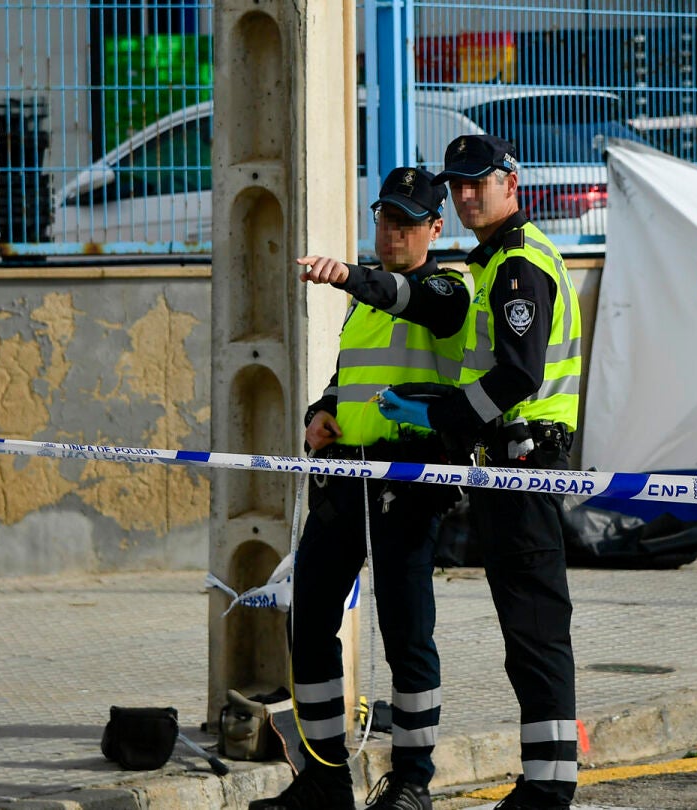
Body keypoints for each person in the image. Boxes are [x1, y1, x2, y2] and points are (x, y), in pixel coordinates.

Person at [248, 166, 468, 810]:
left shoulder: (448, 288)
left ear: (435, 228)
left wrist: (347, 274)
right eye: (384, 219)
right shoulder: (365, 301)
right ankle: (324, 779)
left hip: (408, 482)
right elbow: (349, 379)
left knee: (407, 637)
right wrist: (321, 411)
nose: (392, 232)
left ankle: (413, 783)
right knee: (308, 621)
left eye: (407, 223)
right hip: (346, 479)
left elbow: (412, 299)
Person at [375, 134, 583, 809]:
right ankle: (543, 783)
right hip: (505, 463)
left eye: (478, 182)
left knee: (534, 630)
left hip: (524, 464)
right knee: (527, 632)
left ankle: (547, 792)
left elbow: (519, 375)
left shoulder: (518, 264)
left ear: (510, 183)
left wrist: (447, 417)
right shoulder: (493, 260)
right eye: (457, 184)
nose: (465, 195)